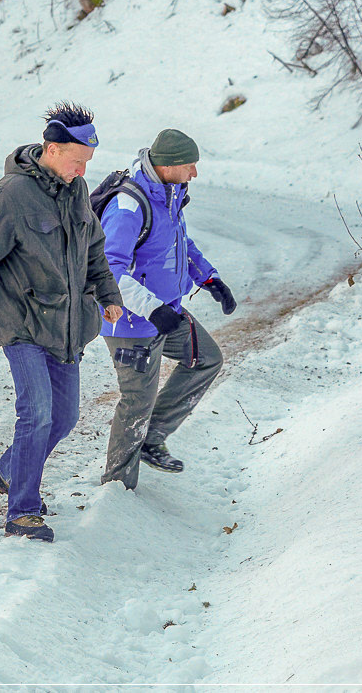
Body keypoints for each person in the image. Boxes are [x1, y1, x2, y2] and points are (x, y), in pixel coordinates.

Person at [0, 103, 124, 542]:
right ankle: (21, 512)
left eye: (87, 163)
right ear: (52, 149)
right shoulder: (11, 196)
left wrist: (109, 295)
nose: (82, 172)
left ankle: (10, 470)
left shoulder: (76, 190)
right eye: (77, 161)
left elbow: (93, 250)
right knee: (37, 414)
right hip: (22, 323)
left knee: (64, 417)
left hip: (67, 326)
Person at [98, 129, 236, 489]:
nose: (195, 173)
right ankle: (118, 488)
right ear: (169, 165)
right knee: (136, 403)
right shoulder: (128, 207)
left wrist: (209, 278)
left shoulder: (170, 194)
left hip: (166, 313)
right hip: (130, 322)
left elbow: (177, 242)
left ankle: (153, 437)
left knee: (206, 359)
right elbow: (109, 270)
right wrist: (152, 308)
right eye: (190, 166)